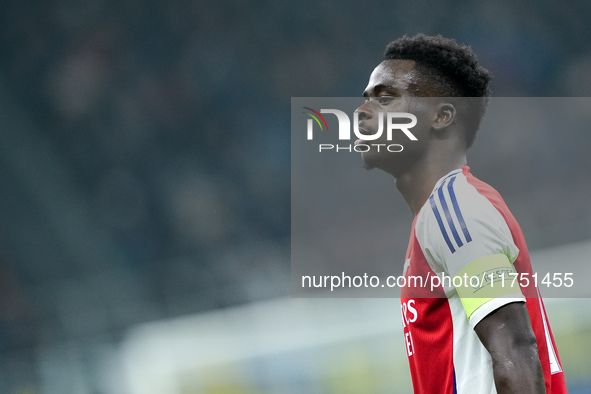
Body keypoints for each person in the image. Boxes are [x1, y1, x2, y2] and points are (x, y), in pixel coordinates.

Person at [355, 34, 567, 393]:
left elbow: (516, 351)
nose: (362, 112)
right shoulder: (441, 214)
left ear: (441, 116)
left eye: (386, 98)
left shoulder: (454, 212)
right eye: (365, 99)